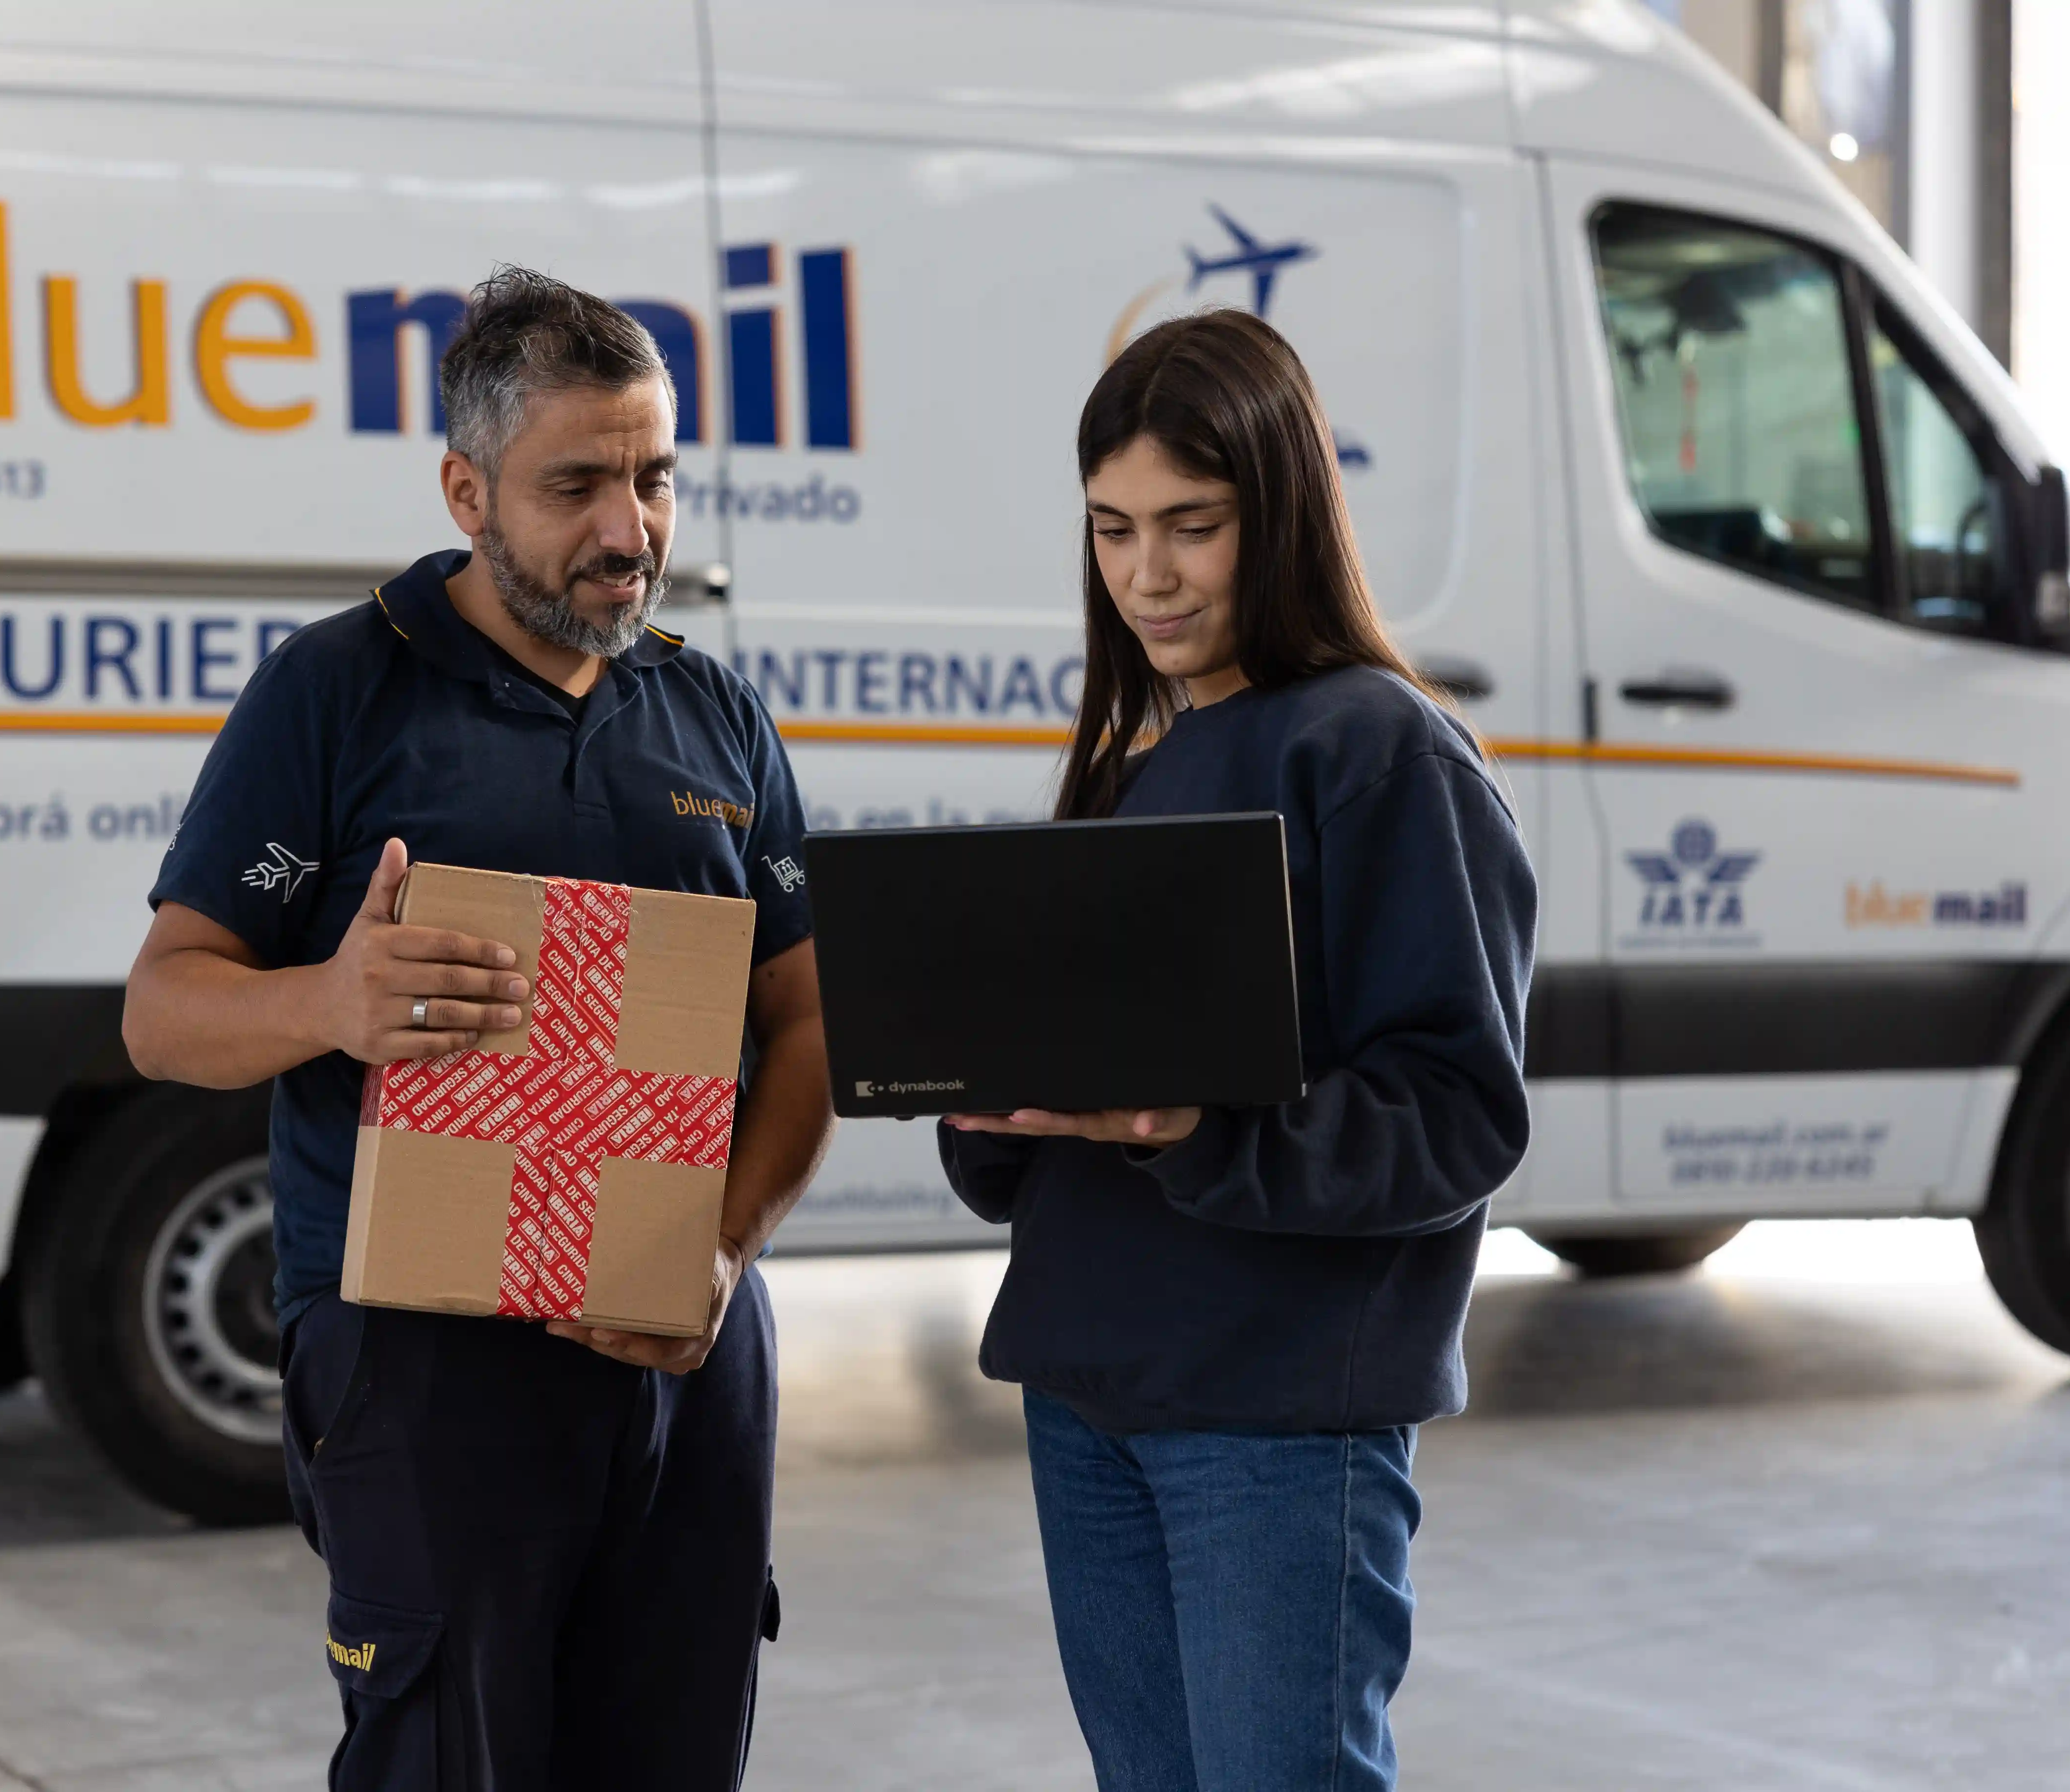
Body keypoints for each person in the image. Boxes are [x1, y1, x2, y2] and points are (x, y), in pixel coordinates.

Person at [122, 266, 833, 1791]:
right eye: (576, 487)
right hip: (421, 1356)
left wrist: (721, 1253)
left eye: (655, 480)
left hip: (684, 1346)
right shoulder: (335, 693)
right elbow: (163, 1010)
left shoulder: (717, 716)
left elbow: (808, 1027)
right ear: (467, 492)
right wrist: (327, 1002)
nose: (630, 531)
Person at [940, 309, 1535, 1792]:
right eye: (1114, 529)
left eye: (1192, 527)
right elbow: (1038, 1158)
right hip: (1088, 1396)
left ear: (1284, 515)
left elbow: (1459, 1115)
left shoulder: (1381, 750)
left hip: (1273, 1421)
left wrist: (1202, 1131)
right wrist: (982, 1084)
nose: (1148, 574)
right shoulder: (1128, 771)